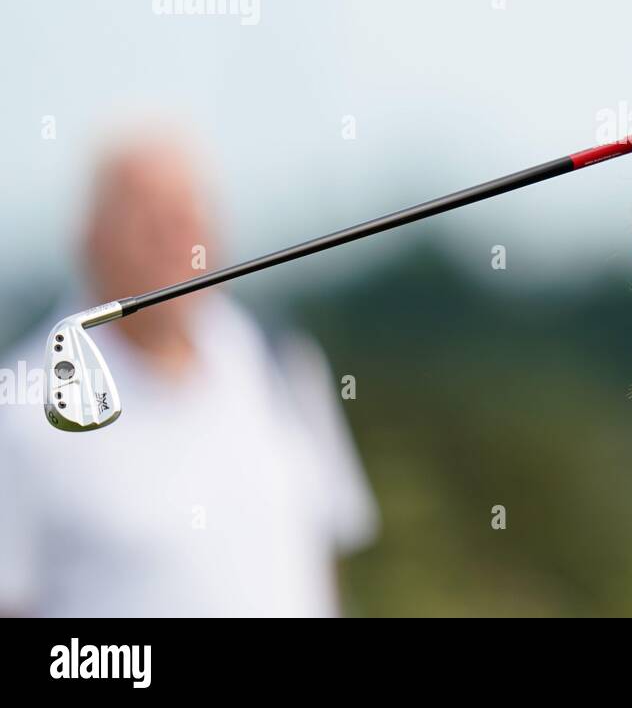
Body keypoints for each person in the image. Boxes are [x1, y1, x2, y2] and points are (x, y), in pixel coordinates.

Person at [0, 131, 379, 617]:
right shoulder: (22, 410)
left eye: (186, 217)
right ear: (89, 239)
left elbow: (320, 554)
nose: (173, 241)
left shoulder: (283, 360)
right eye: (147, 221)